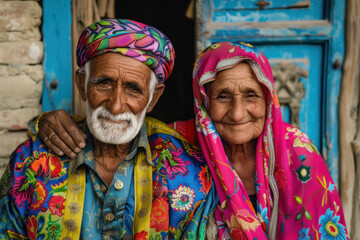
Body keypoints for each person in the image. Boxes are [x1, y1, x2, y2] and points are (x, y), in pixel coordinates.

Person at [31, 42, 349, 239]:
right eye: (222, 96)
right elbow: (113, 131)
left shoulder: (296, 153)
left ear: (269, 100)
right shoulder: (175, 142)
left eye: (251, 96)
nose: (238, 113)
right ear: (203, 101)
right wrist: (45, 121)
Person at [0, 18, 217, 239]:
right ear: (81, 84)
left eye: (133, 89)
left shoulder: (187, 172)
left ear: (153, 98)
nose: (115, 106)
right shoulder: (30, 162)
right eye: (103, 83)